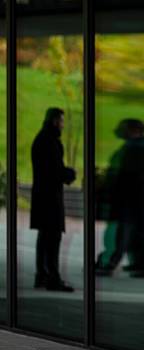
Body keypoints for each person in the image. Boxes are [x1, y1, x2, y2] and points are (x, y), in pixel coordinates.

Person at [96, 119, 144, 278]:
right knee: (140, 233)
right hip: (142, 200)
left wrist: (111, 189)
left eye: (123, 128)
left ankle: (111, 264)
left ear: (134, 130)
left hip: (132, 200)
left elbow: (125, 175)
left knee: (125, 234)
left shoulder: (135, 149)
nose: (120, 131)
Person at [30, 108, 76, 292]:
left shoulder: (41, 139)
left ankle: (42, 275)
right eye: (62, 121)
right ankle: (52, 277)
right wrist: (70, 174)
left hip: (42, 195)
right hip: (50, 197)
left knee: (44, 237)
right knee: (52, 237)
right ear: (56, 121)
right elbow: (54, 170)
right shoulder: (51, 142)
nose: (63, 125)